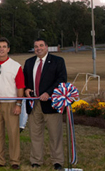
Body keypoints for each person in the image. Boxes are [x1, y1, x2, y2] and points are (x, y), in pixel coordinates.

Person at [24, 39, 67, 170]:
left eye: (41, 46)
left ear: (47, 47)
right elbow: (24, 80)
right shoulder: (29, 62)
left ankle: (57, 161)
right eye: (36, 46)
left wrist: (49, 93)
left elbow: (61, 80)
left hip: (51, 104)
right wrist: (26, 89)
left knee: (55, 134)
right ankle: (36, 160)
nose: (38, 48)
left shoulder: (58, 61)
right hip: (34, 104)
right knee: (35, 134)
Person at [0, 38, 25, 169]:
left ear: (8, 49)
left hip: (11, 104)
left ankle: (15, 161)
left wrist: (18, 104)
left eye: (4, 46)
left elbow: (20, 87)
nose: (1, 49)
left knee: (13, 133)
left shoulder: (15, 66)